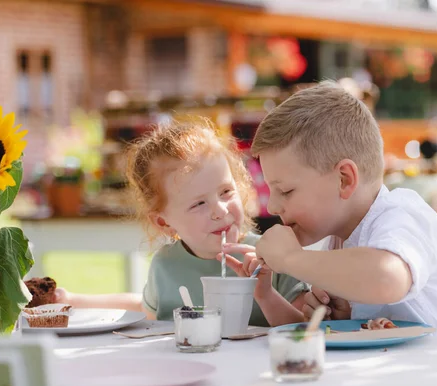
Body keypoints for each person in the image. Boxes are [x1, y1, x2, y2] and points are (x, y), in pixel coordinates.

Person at [224, 81, 437, 338]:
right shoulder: (337, 241)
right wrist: (267, 296)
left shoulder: (401, 214)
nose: (272, 205)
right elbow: (318, 340)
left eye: (286, 191)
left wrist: (291, 259)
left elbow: (386, 277)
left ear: (344, 179)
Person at [55, 119, 307, 326]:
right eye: (199, 204)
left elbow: (307, 329)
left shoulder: (273, 258)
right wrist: (74, 300)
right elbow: (144, 309)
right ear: (164, 223)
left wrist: (265, 295)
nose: (220, 210)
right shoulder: (166, 265)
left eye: (226, 192)